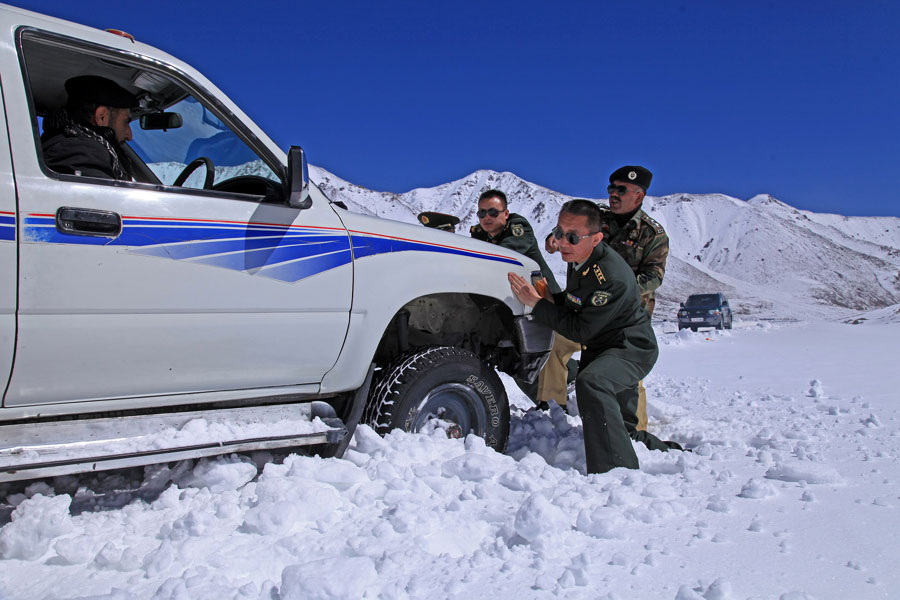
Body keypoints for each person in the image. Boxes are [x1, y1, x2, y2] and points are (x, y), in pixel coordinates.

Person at [508, 200, 677, 474]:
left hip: (629, 348)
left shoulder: (609, 275)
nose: (562, 242)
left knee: (592, 383)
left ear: (596, 238)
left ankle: (615, 472)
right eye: (559, 233)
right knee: (625, 427)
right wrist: (552, 299)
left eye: (572, 237)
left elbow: (580, 329)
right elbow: (578, 300)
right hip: (603, 344)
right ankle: (661, 452)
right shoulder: (581, 257)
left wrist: (539, 305)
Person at [541, 165, 668, 432]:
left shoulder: (652, 233)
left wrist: (615, 290)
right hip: (583, 310)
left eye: (621, 190)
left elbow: (655, 275)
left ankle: (637, 433)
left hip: (623, 322)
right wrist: (555, 240)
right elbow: (563, 235)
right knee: (555, 346)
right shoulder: (595, 218)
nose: (614, 194)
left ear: (639, 195)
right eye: (611, 188)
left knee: (628, 375)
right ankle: (551, 410)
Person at [41, 75, 139, 180]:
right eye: (125, 122)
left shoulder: (66, 143)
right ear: (102, 116)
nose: (130, 136)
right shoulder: (82, 152)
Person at [470, 189, 560, 295]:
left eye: (493, 212)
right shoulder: (481, 234)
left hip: (546, 297)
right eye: (482, 213)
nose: (487, 217)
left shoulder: (519, 228)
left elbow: (501, 257)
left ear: (506, 214)